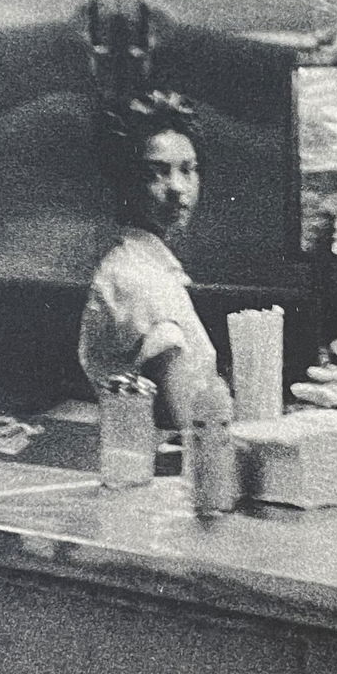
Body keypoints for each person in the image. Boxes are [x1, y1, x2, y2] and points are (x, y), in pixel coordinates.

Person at [78, 90, 222, 429]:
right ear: (125, 182)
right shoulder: (140, 281)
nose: (177, 187)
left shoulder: (147, 266)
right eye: (156, 172)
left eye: (188, 169)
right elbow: (179, 423)